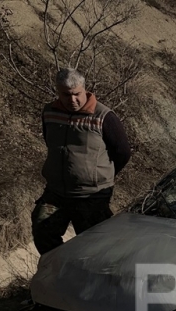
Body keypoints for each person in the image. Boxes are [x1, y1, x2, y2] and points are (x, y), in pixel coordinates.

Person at [32, 67, 131, 254]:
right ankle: (60, 273)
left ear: (84, 89)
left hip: (91, 196)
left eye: (76, 94)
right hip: (56, 192)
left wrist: (99, 174)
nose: (72, 100)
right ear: (57, 91)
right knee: (42, 231)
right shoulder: (49, 112)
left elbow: (123, 152)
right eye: (66, 95)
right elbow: (50, 142)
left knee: (95, 247)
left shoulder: (104, 116)